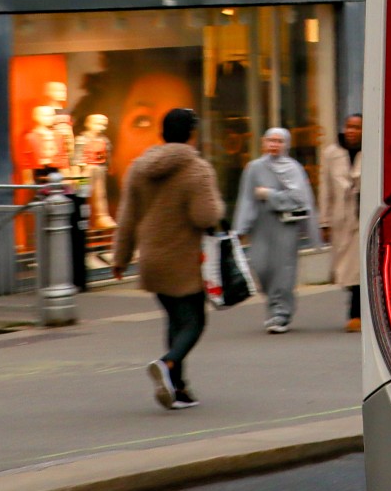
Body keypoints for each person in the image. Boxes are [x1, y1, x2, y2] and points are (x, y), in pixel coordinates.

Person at [112, 107, 224, 408]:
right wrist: (218, 208)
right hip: (184, 259)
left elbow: (127, 217)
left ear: (162, 134)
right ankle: (168, 363)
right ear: (192, 134)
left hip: (152, 259)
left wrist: (120, 257)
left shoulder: (139, 168)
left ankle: (177, 389)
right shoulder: (197, 169)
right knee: (194, 322)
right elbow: (205, 216)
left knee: (175, 320)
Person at [234, 128, 320, 334]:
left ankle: (281, 313)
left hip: (285, 226)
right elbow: (246, 198)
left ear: (286, 145)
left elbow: (299, 199)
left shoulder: (294, 168)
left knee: (283, 271)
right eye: (270, 140)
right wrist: (240, 228)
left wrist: (270, 195)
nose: (274, 145)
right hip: (261, 226)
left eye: (279, 141)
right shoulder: (254, 168)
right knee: (261, 266)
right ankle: (274, 304)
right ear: (263, 143)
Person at [319, 114, 363, 332]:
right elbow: (325, 189)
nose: (351, 131)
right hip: (341, 218)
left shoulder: (374, 150)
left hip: (363, 216)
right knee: (347, 269)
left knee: (359, 268)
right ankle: (357, 309)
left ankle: (356, 313)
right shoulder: (331, 153)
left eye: (357, 127)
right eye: (349, 126)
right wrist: (324, 221)